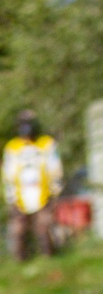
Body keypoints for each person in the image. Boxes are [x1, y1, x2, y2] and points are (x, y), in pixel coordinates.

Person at [5, 112, 64, 262]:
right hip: (20, 196)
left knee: (44, 227)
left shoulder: (46, 144)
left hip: (43, 193)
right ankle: (21, 260)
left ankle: (49, 257)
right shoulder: (13, 147)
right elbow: (8, 173)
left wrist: (55, 186)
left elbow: (55, 167)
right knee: (18, 230)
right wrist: (10, 194)